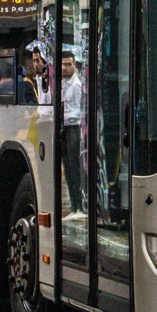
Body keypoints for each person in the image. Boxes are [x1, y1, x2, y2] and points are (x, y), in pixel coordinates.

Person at [60, 50, 85, 212]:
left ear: (74, 65)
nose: (65, 68)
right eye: (62, 64)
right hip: (64, 129)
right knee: (67, 169)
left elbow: (78, 111)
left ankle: (79, 205)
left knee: (74, 168)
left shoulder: (76, 85)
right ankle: (75, 206)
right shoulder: (62, 84)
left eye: (68, 64)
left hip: (74, 129)